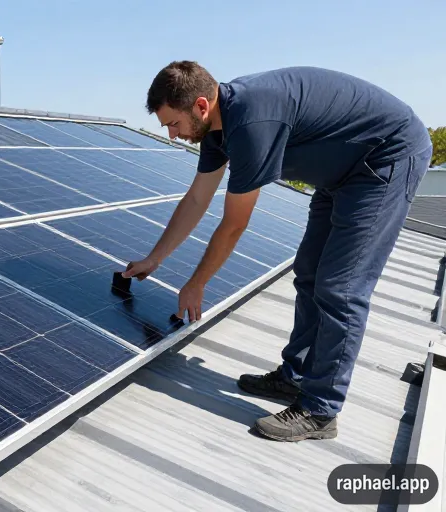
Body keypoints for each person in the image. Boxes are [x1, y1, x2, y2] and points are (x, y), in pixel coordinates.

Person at [122, 61, 432, 442]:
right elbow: (197, 198)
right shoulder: (216, 130)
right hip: (340, 174)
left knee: (340, 288)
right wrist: (155, 258)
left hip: (385, 159)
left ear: (201, 106)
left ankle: (321, 410)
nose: (172, 134)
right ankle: (296, 376)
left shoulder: (251, 124)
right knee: (309, 274)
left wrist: (197, 283)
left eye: (174, 124)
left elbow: (234, 224)